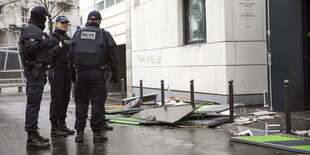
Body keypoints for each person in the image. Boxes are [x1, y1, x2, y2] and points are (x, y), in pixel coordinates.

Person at [69, 10, 119, 142]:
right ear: (99, 21)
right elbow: (113, 56)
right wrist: (115, 73)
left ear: (87, 20)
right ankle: (97, 134)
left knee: (81, 103)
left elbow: (70, 55)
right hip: (97, 73)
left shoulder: (77, 34)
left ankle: (79, 133)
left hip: (81, 73)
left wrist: (73, 74)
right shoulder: (104, 34)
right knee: (97, 103)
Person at [19, 6, 55, 150]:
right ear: (40, 16)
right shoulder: (31, 29)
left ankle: (34, 132)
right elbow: (30, 49)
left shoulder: (35, 29)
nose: (46, 19)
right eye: (44, 16)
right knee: (33, 103)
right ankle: (31, 137)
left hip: (38, 71)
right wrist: (45, 41)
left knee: (35, 103)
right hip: (34, 71)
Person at [48, 16, 75, 137]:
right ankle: (54, 126)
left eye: (66, 23)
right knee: (56, 98)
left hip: (67, 69)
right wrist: (58, 47)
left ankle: (62, 124)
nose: (64, 25)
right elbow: (49, 55)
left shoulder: (68, 38)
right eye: (62, 23)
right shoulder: (52, 38)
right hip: (56, 69)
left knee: (65, 98)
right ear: (56, 24)